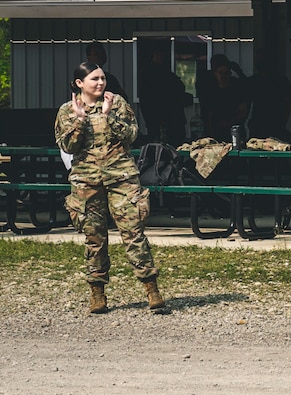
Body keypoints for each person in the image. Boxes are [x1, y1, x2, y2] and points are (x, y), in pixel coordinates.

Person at [55, 59, 166, 316]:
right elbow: (68, 147)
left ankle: (152, 290)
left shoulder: (117, 104)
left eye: (102, 78)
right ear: (79, 83)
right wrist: (80, 120)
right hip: (86, 180)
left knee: (134, 234)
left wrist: (107, 116)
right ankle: (97, 293)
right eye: (94, 79)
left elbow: (132, 135)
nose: (101, 83)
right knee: (94, 238)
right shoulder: (66, 111)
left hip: (121, 176)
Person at [137, 42, 191, 146]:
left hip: (174, 120)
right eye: (160, 54)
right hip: (159, 121)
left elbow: (180, 88)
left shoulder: (166, 72)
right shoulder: (149, 74)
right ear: (154, 55)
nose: (162, 57)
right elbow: (148, 100)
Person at [197, 54, 253, 144]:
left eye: (226, 73)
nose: (223, 76)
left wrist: (229, 122)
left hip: (234, 133)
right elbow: (209, 114)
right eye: (220, 73)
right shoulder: (211, 91)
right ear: (215, 73)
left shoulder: (237, 89)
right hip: (216, 132)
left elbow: (243, 111)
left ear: (230, 73)